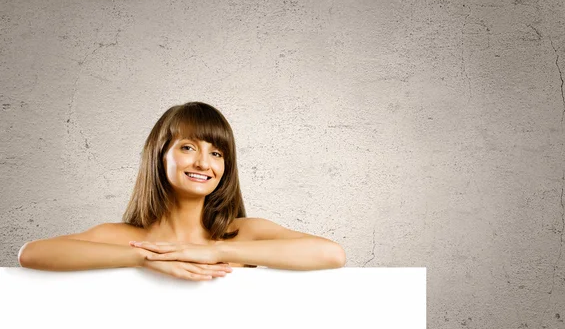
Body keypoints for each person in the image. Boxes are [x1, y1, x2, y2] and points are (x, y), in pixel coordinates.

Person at [18, 102, 346, 281]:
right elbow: (32, 254)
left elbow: (331, 254)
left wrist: (216, 252)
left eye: (217, 153)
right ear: (160, 155)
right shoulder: (125, 238)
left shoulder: (243, 232)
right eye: (188, 147)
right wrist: (143, 258)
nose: (204, 163)